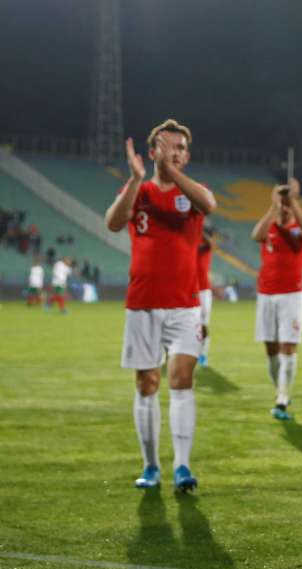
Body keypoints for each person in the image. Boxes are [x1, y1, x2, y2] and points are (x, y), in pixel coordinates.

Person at [105, 119, 216, 492]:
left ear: (187, 155)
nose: (174, 152)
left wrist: (174, 173)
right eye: (167, 146)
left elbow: (209, 204)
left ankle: (183, 466)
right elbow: (113, 222)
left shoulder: (192, 193)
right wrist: (136, 180)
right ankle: (151, 465)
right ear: (151, 152)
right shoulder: (139, 189)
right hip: (143, 303)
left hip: (185, 304)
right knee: (147, 383)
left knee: (182, 379)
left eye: (181, 148)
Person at [251, 179, 302, 420]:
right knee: (271, 348)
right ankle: (280, 389)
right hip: (266, 294)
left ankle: (282, 398)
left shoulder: (298, 231)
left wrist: (293, 202)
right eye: (283, 204)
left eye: (287, 206)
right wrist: (274, 205)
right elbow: (255, 234)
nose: (284, 209)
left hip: (291, 295)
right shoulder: (269, 228)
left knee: (288, 345)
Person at [196, 224, 215, 365]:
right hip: (188, 289)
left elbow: (210, 243)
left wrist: (198, 230)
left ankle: (203, 354)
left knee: (203, 324)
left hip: (203, 291)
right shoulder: (190, 245)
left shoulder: (206, 247)